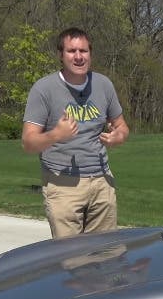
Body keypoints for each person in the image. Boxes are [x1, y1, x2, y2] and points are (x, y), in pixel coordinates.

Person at [22, 27, 129, 238]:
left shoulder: (103, 85)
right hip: (62, 186)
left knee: (104, 255)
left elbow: (122, 126)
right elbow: (27, 143)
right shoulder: (44, 89)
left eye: (84, 51)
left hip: (101, 182)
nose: (79, 57)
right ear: (61, 55)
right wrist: (56, 135)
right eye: (72, 51)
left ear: (91, 53)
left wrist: (119, 137)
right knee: (71, 260)